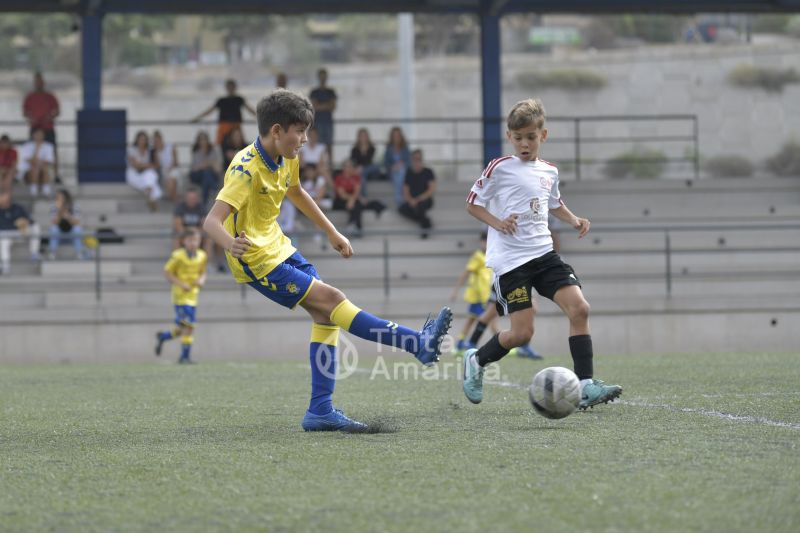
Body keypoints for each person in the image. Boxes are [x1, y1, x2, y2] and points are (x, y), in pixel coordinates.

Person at [203, 89, 452, 432]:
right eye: (299, 131)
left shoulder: (286, 155)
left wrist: (333, 232)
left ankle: (320, 411)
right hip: (256, 259)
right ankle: (416, 343)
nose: (305, 139)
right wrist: (231, 244)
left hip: (279, 246)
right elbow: (211, 222)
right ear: (276, 131)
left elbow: (296, 192)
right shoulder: (245, 169)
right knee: (333, 300)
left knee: (326, 315)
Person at [463, 98, 622, 409]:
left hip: (544, 256)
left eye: (531, 137)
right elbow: (472, 204)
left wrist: (575, 220)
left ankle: (586, 385)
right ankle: (476, 360)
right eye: (518, 138)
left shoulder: (549, 171)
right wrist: (499, 223)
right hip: (512, 263)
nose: (524, 144)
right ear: (510, 137)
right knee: (522, 334)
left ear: (543, 136)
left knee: (580, 310)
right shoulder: (499, 168)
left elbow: (553, 202)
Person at [155, 229, 207, 364]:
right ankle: (184, 357)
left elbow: (203, 272)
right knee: (189, 326)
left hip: (193, 296)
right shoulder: (177, 256)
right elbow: (167, 273)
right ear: (184, 241)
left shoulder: (202, 255)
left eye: (196, 240)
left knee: (183, 329)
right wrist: (181, 283)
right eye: (190, 240)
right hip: (180, 297)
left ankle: (163, 337)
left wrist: (201, 280)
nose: (193, 243)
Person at [192, 79, 256, 145]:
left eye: (232, 87)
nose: (231, 89)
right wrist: (197, 118)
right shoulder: (221, 100)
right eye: (229, 87)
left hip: (236, 126)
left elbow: (250, 110)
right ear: (226, 88)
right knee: (220, 144)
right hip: (224, 126)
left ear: (235, 88)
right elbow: (209, 111)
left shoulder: (239, 99)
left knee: (239, 145)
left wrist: (260, 118)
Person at [332, 158, 386, 236]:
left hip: (353, 199)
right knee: (358, 204)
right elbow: (342, 194)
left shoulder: (356, 177)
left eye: (351, 166)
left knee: (357, 205)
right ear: (343, 168)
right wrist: (352, 199)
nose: (349, 168)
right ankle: (356, 227)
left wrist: (353, 199)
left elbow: (357, 191)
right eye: (347, 166)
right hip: (341, 200)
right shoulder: (339, 178)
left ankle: (352, 225)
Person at [22, 72, 59, 180]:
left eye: (40, 82)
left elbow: (56, 111)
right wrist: (31, 117)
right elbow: (25, 111)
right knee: (32, 151)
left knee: (52, 151)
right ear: (34, 83)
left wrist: (49, 117)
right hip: (35, 127)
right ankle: (32, 175)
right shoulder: (30, 97)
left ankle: (55, 175)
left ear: (43, 83)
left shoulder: (50, 96)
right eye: (37, 82)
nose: (39, 84)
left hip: (48, 127)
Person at [0, 191, 41, 275]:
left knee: (35, 227)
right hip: (5, 236)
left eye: (7, 200)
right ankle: (5, 267)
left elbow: (30, 221)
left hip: (20, 233)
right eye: (3, 200)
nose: (5, 202)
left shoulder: (18, 208)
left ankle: (34, 253)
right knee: (3, 242)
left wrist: (25, 222)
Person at [398, 149, 436, 238]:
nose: (416, 161)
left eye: (418, 159)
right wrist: (410, 200)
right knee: (401, 209)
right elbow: (405, 190)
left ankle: (424, 231)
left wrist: (418, 199)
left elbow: (431, 189)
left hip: (425, 200)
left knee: (420, 207)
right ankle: (426, 221)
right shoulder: (409, 172)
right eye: (414, 159)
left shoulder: (428, 171)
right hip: (412, 200)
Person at [126, 131, 162, 211]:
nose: (142, 141)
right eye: (141, 139)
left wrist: (143, 165)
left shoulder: (149, 151)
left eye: (144, 139)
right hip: (133, 174)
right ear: (137, 140)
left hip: (145, 174)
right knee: (150, 178)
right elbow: (136, 166)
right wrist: (147, 165)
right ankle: (152, 200)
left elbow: (157, 165)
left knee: (151, 174)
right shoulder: (131, 150)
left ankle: (149, 195)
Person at [47, 189, 87, 260]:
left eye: (61, 198)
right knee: (53, 229)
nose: (59, 200)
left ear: (66, 198)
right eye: (57, 198)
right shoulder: (53, 207)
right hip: (59, 232)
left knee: (77, 229)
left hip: (71, 231)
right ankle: (52, 253)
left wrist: (68, 216)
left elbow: (76, 223)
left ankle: (79, 253)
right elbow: (54, 223)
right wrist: (59, 211)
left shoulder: (75, 206)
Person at [17, 128, 55, 197]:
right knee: (35, 167)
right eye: (37, 134)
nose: (39, 136)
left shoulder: (49, 146)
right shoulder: (26, 146)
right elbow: (30, 161)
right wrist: (37, 149)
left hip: (43, 172)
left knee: (43, 167)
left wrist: (39, 163)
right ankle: (34, 187)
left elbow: (50, 161)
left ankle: (44, 188)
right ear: (33, 135)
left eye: (41, 135)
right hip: (28, 173)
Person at [189, 131, 223, 207]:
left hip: (209, 174)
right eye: (201, 140)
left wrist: (206, 165)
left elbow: (217, 168)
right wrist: (207, 164)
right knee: (206, 173)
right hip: (197, 175)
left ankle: (204, 202)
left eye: (204, 140)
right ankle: (214, 187)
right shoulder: (196, 152)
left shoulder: (212, 151)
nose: (203, 142)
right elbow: (194, 168)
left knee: (206, 176)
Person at [309, 68, 337, 159]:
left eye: (324, 76)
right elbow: (314, 107)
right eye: (321, 76)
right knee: (318, 145)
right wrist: (327, 105)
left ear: (326, 77)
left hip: (328, 122)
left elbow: (332, 107)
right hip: (318, 123)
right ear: (318, 77)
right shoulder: (314, 92)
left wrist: (320, 105)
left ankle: (330, 167)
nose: (323, 78)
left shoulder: (331, 91)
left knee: (329, 145)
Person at [382, 126, 411, 206]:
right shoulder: (389, 148)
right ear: (391, 136)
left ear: (401, 136)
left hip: (404, 171)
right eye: (394, 135)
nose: (396, 137)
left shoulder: (405, 147)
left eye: (398, 135)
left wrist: (402, 164)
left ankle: (398, 197)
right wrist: (392, 166)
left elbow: (409, 161)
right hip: (392, 171)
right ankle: (400, 197)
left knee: (401, 171)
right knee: (399, 172)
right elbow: (385, 163)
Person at [152, 130, 181, 202]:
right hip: (164, 171)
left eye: (158, 140)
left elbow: (176, 162)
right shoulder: (156, 153)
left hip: (173, 169)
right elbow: (158, 165)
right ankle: (174, 199)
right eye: (155, 141)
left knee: (172, 178)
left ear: (161, 139)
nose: (157, 143)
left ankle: (173, 198)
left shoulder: (171, 147)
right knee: (169, 179)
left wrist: (170, 168)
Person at [349, 127, 380, 195]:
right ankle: (364, 196)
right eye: (361, 136)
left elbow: (368, 160)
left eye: (364, 136)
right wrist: (358, 168)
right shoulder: (354, 149)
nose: (363, 138)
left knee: (374, 167)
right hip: (361, 171)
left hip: (371, 169)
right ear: (358, 137)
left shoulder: (372, 148)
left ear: (367, 137)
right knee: (361, 177)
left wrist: (364, 151)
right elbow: (353, 161)